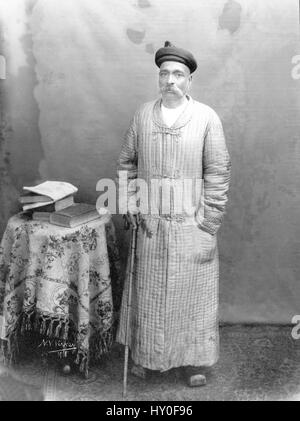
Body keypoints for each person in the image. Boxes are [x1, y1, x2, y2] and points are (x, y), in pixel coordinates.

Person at [116, 41, 231, 386]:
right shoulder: (142, 115)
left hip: (190, 227)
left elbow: (218, 173)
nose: (170, 80)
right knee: (149, 297)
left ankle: (192, 362)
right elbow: (126, 163)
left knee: (192, 299)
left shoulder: (207, 118)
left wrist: (206, 223)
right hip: (151, 228)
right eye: (164, 73)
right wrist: (131, 203)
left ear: (189, 80)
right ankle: (146, 358)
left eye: (178, 74)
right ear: (158, 78)